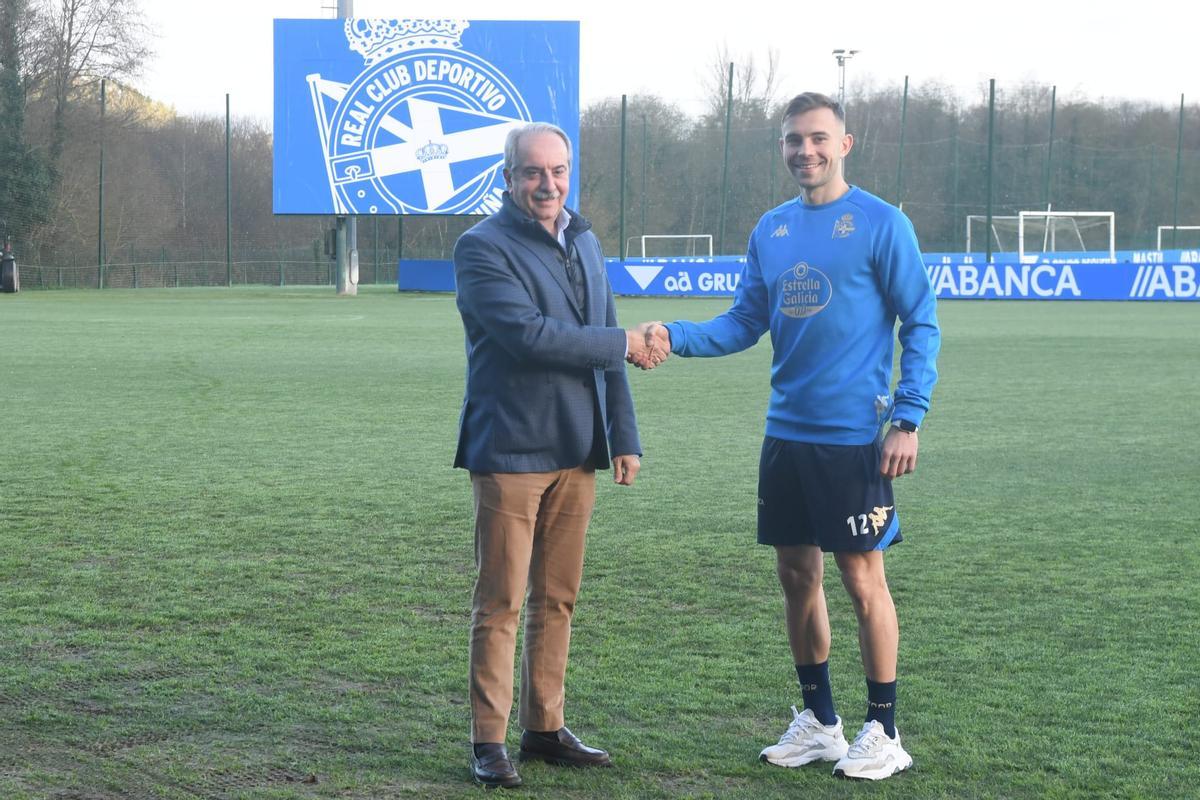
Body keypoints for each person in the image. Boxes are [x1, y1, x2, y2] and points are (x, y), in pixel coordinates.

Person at [639, 92, 940, 781]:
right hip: (787, 434)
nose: (805, 151)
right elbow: (744, 322)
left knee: (863, 581)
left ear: (845, 143)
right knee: (796, 576)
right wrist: (672, 335)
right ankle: (821, 723)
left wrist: (907, 416)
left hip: (856, 439)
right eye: (793, 141)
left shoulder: (882, 223)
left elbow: (920, 323)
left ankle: (885, 731)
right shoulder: (770, 230)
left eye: (817, 138)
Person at [453, 122, 657, 788]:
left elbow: (605, 329)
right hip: (511, 449)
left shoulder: (585, 237)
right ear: (508, 177)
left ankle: (544, 727)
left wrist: (622, 435)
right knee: (501, 602)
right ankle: (489, 741)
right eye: (533, 172)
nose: (548, 184)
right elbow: (528, 337)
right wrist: (621, 342)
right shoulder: (480, 246)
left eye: (559, 170)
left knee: (558, 600)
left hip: (578, 450)